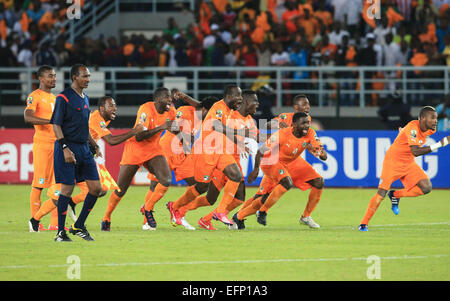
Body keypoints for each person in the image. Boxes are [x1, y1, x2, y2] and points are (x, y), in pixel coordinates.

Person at [30, 96, 144, 231]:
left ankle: (72, 203)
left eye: (115, 105)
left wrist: (95, 147)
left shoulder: (99, 119)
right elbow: (111, 141)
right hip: (67, 157)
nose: (115, 108)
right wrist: (134, 132)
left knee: (98, 190)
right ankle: (35, 220)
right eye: (111, 106)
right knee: (58, 196)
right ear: (102, 108)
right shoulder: (96, 119)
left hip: (81, 158)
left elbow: (86, 133)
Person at [101, 87, 196, 231]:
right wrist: (162, 127)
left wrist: (185, 141)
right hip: (135, 150)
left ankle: (148, 208)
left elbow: (175, 129)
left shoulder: (171, 111)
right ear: (157, 100)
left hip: (153, 150)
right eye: (167, 99)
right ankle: (106, 217)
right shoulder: (145, 109)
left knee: (166, 180)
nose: (170, 101)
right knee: (121, 189)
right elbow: (139, 137)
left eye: (170, 99)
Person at [236, 95, 327, 229]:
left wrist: (317, 151)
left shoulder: (306, 122)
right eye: (304, 104)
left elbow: (306, 141)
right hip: (275, 159)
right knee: (261, 196)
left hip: (294, 161)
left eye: (308, 104)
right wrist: (277, 124)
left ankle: (306, 216)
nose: (308, 107)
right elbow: (266, 126)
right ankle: (239, 216)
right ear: (296, 107)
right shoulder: (285, 118)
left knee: (318, 181)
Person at [173, 90, 259, 230]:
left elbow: (256, 137)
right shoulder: (230, 112)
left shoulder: (249, 120)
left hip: (231, 159)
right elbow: (206, 109)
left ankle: (206, 218)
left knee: (237, 199)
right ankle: (181, 210)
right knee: (209, 197)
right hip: (218, 156)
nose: (258, 105)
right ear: (246, 102)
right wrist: (186, 98)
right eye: (255, 101)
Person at [359, 106, 450, 231]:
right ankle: (363, 224)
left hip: (408, 162)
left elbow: (413, 142)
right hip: (393, 162)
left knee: (426, 187)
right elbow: (416, 151)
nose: (435, 121)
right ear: (422, 118)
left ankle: (396, 194)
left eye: (436, 118)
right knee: (381, 194)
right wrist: (441, 143)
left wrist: (403, 133)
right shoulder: (413, 128)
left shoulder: (430, 130)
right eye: (433, 118)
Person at [49, 64, 103, 242]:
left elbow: (84, 126)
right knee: (67, 189)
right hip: (67, 147)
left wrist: (94, 144)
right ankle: (60, 233)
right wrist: (65, 148)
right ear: (74, 77)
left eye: (88, 76)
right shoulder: (63, 98)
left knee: (96, 188)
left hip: (84, 148)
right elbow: (56, 124)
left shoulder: (85, 98)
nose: (88, 79)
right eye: (84, 76)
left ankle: (79, 225)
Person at [139, 90, 203, 231]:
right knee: (154, 185)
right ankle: (146, 220)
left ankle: (178, 211)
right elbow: (174, 127)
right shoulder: (185, 110)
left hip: (182, 152)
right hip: (167, 148)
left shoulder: (204, 120)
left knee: (197, 183)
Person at [189, 84, 246, 226]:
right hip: (209, 152)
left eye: (241, 96)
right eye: (238, 95)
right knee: (205, 191)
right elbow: (217, 126)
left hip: (221, 153)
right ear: (228, 96)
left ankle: (215, 215)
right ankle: (179, 208)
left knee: (237, 188)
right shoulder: (219, 108)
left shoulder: (231, 112)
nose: (240, 99)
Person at [25, 65, 56, 232]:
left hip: (57, 145)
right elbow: (28, 117)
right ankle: (35, 223)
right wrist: (49, 121)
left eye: (54, 76)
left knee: (58, 185)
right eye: (50, 76)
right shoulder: (34, 96)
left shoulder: (56, 98)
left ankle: (55, 224)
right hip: (43, 146)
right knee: (39, 184)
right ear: (41, 78)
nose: (53, 79)